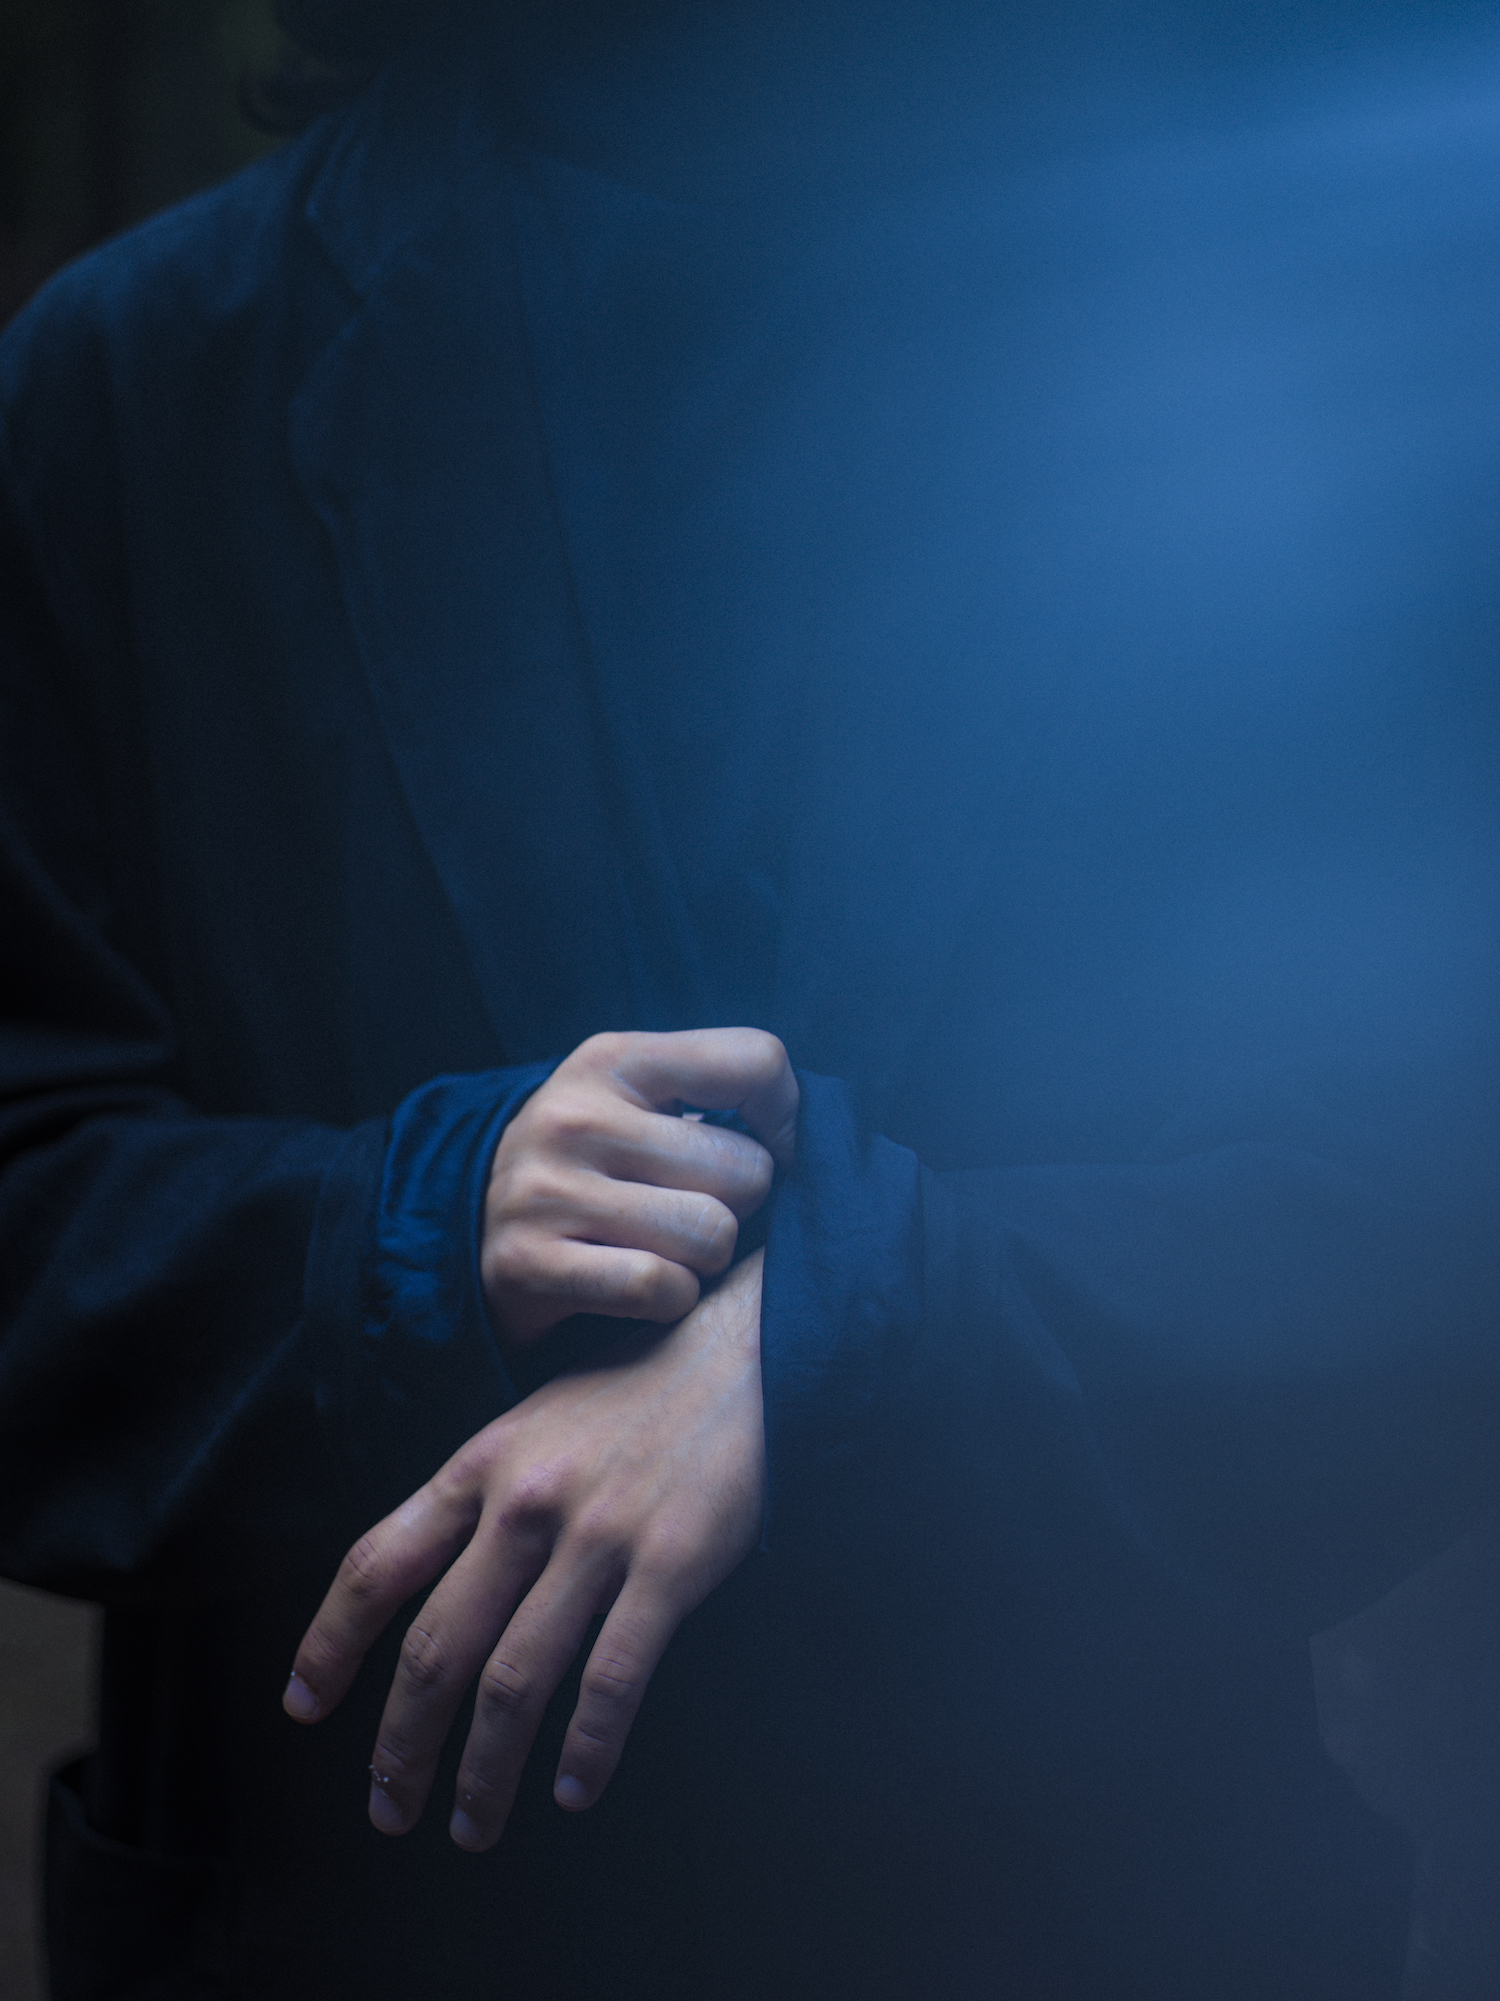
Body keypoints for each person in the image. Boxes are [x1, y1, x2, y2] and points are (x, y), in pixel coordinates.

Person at [3, 0, 1499, 1994]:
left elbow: (1418, 1235)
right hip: (362, 1924)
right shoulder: (125, 387)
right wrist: (409, 1230)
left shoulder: (1270, 374)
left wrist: (845, 1336)